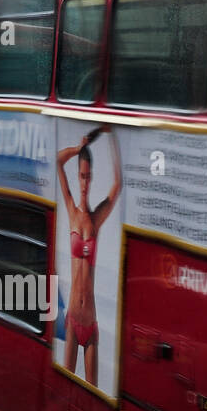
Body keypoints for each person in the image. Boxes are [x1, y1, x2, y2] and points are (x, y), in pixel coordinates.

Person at [56, 127, 121, 386]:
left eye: (88, 177)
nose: (84, 183)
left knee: (92, 392)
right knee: (67, 387)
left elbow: (117, 185)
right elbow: (58, 161)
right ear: (78, 176)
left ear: (92, 178)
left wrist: (110, 134)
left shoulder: (96, 219)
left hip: (91, 324)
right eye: (81, 176)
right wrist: (78, 148)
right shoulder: (72, 211)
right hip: (73, 320)